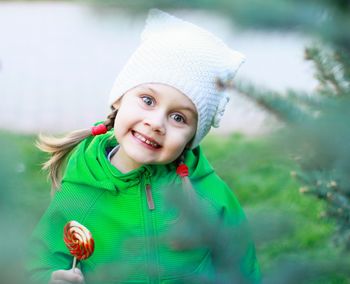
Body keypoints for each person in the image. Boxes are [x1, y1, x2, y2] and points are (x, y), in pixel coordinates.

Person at [26, 9, 260, 284]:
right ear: (119, 99)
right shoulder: (81, 191)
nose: (156, 123)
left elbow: (241, 268)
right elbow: (40, 260)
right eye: (148, 100)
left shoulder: (209, 197)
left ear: (193, 136)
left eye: (178, 118)